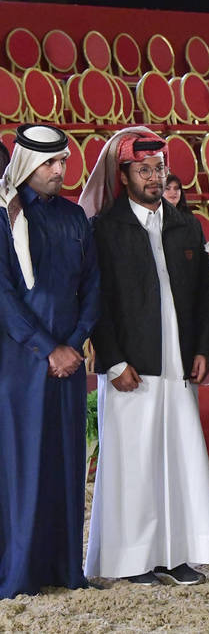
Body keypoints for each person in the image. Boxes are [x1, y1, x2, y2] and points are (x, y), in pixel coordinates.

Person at [81, 129, 209, 586]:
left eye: (159, 169)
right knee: (132, 464)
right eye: (144, 171)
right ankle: (131, 562)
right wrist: (114, 361)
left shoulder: (185, 224)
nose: (154, 178)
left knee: (177, 459)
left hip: (178, 364)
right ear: (124, 175)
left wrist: (204, 348)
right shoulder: (106, 227)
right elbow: (95, 300)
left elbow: (204, 296)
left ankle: (175, 555)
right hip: (129, 367)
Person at [0, 124, 100, 599]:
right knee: (23, 463)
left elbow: (93, 287)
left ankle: (65, 569)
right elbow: (3, 296)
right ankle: (19, 573)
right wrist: (48, 348)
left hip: (67, 364)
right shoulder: (4, 216)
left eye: (63, 162)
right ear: (25, 164)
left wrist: (75, 342)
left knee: (65, 462)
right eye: (49, 164)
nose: (60, 171)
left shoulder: (75, 216)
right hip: (20, 365)